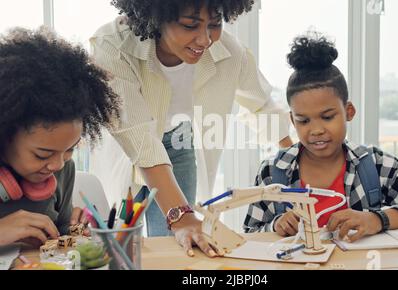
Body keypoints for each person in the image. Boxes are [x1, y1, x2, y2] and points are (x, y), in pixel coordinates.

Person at [90, 0, 292, 256]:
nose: (204, 40)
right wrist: (181, 216)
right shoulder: (113, 45)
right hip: (125, 149)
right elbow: (138, 138)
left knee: (179, 244)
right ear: (156, 16)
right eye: (190, 25)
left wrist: (296, 161)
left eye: (215, 24)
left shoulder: (229, 52)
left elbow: (263, 106)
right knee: (119, 246)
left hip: (178, 143)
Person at [243, 32, 398, 241]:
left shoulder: (377, 166)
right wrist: (275, 225)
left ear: (349, 111)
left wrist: (377, 220)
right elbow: (248, 235)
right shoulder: (271, 172)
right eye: (304, 121)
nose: (316, 130)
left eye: (327, 117)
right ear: (292, 120)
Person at [0, 27, 121, 247]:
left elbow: (59, 234)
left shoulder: (64, 169)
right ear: (6, 134)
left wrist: (76, 228)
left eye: (70, 149)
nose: (57, 164)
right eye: (42, 154)